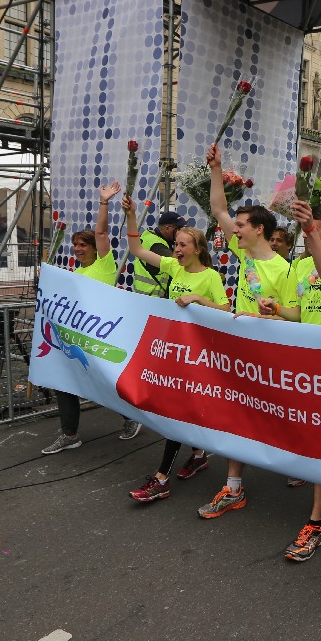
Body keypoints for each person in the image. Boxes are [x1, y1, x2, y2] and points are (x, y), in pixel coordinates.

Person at [196, 142, 297, 519]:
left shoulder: (285, 270)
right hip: (241, 354)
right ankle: (234, 487)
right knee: (237, 416)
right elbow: (218, 209)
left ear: (259, 229)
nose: (233, 229)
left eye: (241, 226)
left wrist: (271, 316)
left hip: (273, 360)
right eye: (235, 226)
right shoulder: (245, 254)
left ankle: (310, 468)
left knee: (279, 417)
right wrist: (216, 169)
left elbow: (297, 320)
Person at [260, 199, 321, 562]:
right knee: (320, 437)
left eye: (312, 225)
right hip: (306, 366)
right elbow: (300, 313)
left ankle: (315, 523)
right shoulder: (300, 265)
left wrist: (309, 230)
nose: (304, 230)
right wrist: (275, 310)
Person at [120, 207, 229, 502]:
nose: (176, 249)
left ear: (197, 249)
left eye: (183, 245)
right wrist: (131, 215)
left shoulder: (210, 276)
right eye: (176, 244)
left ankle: (161, 479)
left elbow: (225, 309)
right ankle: (199, 455)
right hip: (172, 352)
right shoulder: (173, 267)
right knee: (181, 410)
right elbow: (136, 249)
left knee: (177, 414)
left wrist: (198, 299)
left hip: (196, 356)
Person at [42, 181, 142, 454]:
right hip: (78, 338)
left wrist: (104, 202)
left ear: (95, 248)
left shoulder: (104, 265)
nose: (77, 248)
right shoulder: (75, 274)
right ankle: (70, 435)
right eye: (75, 244)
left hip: (102, 337)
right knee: (64, 383)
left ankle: (131, 416)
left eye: (83, 244)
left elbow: (101, 231)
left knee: (104, 383)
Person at [130, 211, 185, 297]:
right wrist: (180, 240)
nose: (181, 231)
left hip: (143, 294)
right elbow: (176, 263)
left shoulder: (149, 236)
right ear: (168, 228)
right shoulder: (156, 245)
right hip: (152, 297)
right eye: (178, 228)